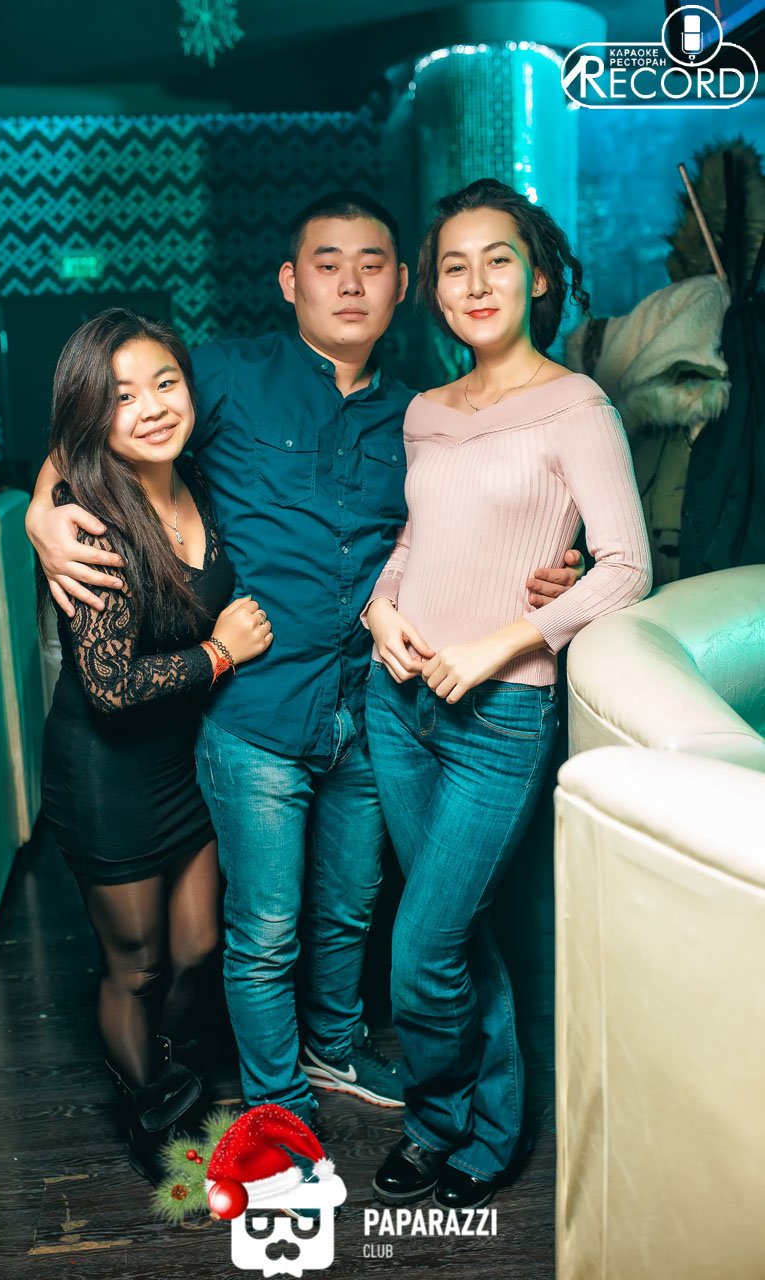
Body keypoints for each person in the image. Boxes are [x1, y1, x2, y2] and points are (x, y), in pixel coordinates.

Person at [27, 192, 584, 1128]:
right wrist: (46, 511)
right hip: (253, 713)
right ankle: (276, 1101)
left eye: (372, 265)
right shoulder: (222, 376)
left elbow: (470, 530)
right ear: (291, 282)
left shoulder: (424, 416)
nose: (350, 283)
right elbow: (106, 417)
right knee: (265, 929)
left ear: (402, 287)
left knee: (348, 909)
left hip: (370, 709)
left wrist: (552, 569)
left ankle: (333, 1046)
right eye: (328, 264)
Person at [364, 178, 652, 1211]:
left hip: (498, 717)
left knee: (422, 946)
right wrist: (379, 609)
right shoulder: (424, 411)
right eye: (454, 265)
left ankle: (457, 1123)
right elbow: (417, 539)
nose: (475, 281)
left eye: (498, 259)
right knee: (455, 937)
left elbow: (624, 568)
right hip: (397, 703)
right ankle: (467, 1126)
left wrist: (499, 645)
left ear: (536, 277)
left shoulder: (578, 406)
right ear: (433, 288)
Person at [38, 307, 271, 1181]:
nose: (151, 407)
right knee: (134, 966)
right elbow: (108, 684)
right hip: (106, 774)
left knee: (200, 945)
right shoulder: (89, 519)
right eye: (122, 396)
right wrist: (220, 653)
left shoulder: (197, 478)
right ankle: (150, 1107)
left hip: (183, 761)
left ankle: (169, 1063)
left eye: (164, 383)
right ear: (91, 415)